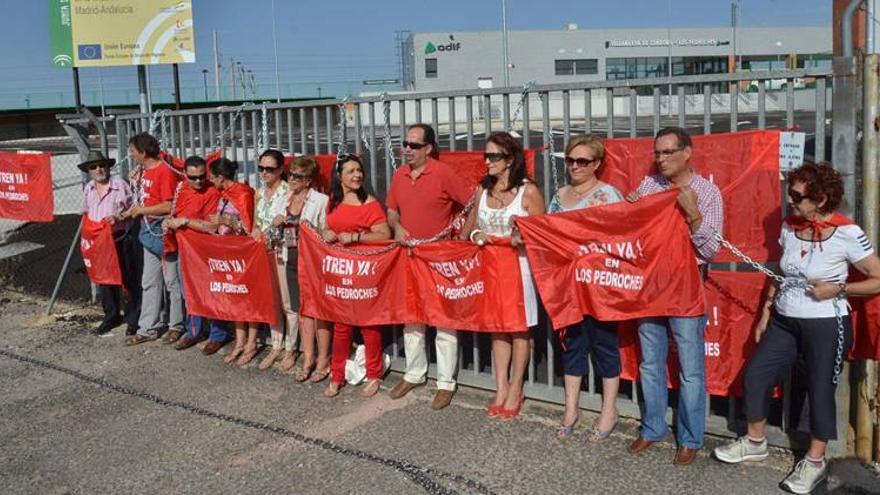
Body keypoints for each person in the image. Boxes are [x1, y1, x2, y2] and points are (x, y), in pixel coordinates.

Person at [713, 162, 880, 494]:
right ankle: (755, 440)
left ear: (820, 199)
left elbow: (877, 278)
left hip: (826, 323)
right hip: (785, 321)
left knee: (819, 389)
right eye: (790, 192)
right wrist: (765, 311)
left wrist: (839, 289)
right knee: (757, 374)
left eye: (797, 195)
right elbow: (781, 269)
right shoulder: (790, 226)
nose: (790, 200)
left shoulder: (847, 233)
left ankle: (815, 461)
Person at [625, 126, 723, 466]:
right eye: (657, 153)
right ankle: (652, 428)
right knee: (650, 363)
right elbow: (631, 236)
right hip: (650, 287)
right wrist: (632, 210)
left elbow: (710, 249)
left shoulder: (707, 192)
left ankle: (690, 437)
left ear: (686, 153)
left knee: (691, 369)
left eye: (668, 152)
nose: (661, 159)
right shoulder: (648, 187)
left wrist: (693, 212)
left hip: (685, 288)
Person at [386, 124, 473, 410]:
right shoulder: (399, 175)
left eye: (413, 145)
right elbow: (391, 209)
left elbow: (471, 203)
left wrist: (462, 234)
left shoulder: (443, 173)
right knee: (411, 316)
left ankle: (446, 382)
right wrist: (396, 226)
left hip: (438, 258)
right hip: (408, 257)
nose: (407, 149)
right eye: (405, 144)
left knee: (443, 319)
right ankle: (414, 373)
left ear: (428, 148)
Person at [462, 131, 545, 420]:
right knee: (498, 328)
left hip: (518, 268)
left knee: (519, 328)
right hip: (490, 268)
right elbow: (466, 232)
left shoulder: (528, 192)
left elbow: (542, 236)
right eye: (486, 155)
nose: (487, 161)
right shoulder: (481, 190)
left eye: (493, 156)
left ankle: (516, 387)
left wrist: (521, 235)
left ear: (510, 159)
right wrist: (477, 234)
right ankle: (501, 386)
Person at [547, 135, 624, 440]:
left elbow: (622, 237)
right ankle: (571, 408)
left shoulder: (609, 195)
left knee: (605, 345)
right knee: (572, 345)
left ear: (597, 164)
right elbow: (549, 235)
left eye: (583, 161)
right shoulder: (559, 195)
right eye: (571, 160)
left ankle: (609, 411)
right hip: (567, 286)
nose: (575, 166)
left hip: (600, 287)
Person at [321, 154, 391, 398]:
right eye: (350, 171)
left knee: (369, 326)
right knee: (341, 326)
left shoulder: (369, 203)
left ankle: (374, 374)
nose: (357, 175)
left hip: (364, 274)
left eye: (359, 170)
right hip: (340, 274)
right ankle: (336, 375)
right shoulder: (333, 201)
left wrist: (356, 237)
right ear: (339, 176)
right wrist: (327, 232)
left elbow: (384, 233)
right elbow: (326, 227)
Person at [183, 158, 256, 359]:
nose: (209, 181)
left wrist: (226, 220)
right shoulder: (224, 194)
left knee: (246, 298)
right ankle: (240, 342)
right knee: (234, 298)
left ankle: (250, 342)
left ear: (221, 178)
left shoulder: (242, 193)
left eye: (211, 177)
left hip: (241, 253)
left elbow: (249, 228)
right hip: (225, 251)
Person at [121, 133, 183, 346]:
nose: (131, 155)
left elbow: (168, 205)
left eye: (133, 151)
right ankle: (148, 327)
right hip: (148, 232)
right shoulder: (143, 172)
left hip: (163, 232)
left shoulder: (164, 173)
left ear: (143, 152)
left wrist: (141, 210)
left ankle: (176, 325)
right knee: (149, 282)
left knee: (172, 282)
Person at [272, 156, 330, 381]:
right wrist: (276, 224)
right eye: (291, 174)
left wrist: (310, 228)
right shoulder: (283, 200)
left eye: (297, 176)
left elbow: (327, 233)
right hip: (289, 258)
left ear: (308, 181)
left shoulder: (321, 200)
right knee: (301, 310)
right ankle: (308, 357)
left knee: (318, 313)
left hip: (312, 263)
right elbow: (272, 234)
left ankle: (323, 358)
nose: (292, 179)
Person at [162, 156, 226, 352]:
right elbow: (174, 214)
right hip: (185, 249)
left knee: (211, 292)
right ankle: (193, 331)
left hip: (206, 250)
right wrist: (169, 222)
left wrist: (185, 222)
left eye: (201, 177)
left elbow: (212, 226)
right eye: (193, 177)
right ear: (186, 175)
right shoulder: (181, 188)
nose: (198, 181)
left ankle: (218, 334)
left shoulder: (212, 191)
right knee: (189, 292)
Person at [79, 150, 141, 336]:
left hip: (119, 239)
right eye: (94, 167)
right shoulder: (89, 188)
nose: (99, 169)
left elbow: (135, 207)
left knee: (127, 279)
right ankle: (111, 315)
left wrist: (119, 217)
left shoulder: (120, 185)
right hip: (99, 243)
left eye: (102, 165)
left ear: (108, 166)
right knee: (104, 280)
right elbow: (85, 213)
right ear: (89, 171)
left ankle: (133, 319)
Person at [251, 149, 292, 370]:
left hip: (280, 251)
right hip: (262, 253)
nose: (264, 173)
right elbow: (255, 222)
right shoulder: (259, 192)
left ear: (280, 169)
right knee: (271, 299)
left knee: (287, 301)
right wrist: (256, 230)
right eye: (261, 168)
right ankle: (276, 345)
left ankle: (290, 347)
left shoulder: (288, 192)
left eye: (270, 169)